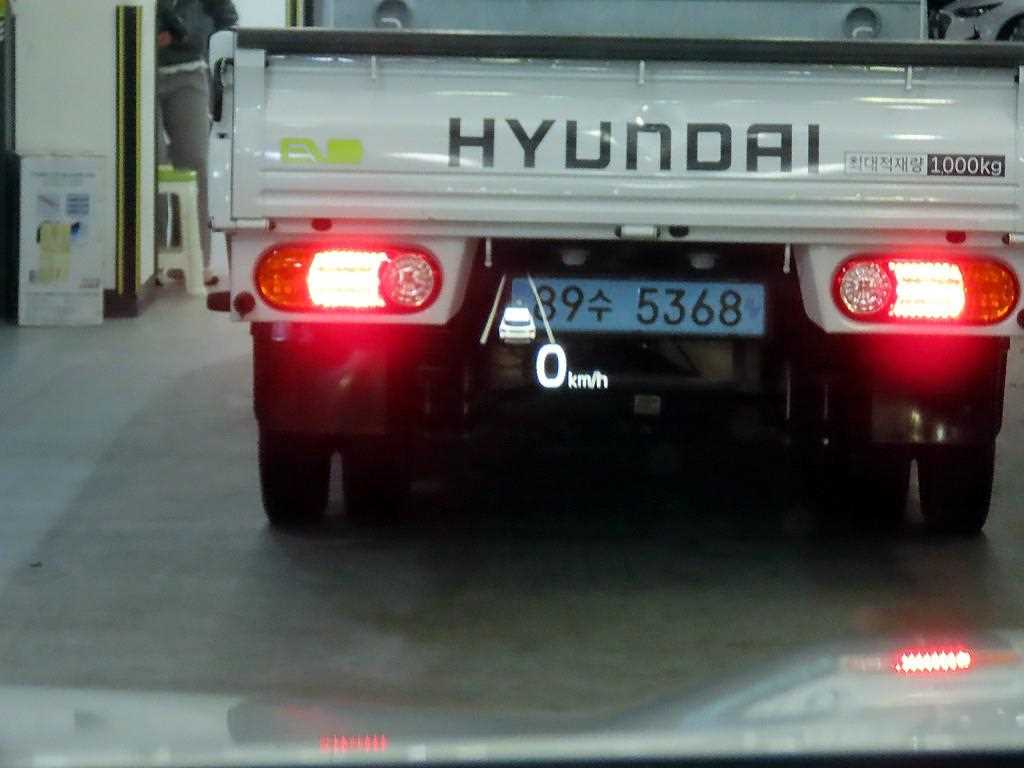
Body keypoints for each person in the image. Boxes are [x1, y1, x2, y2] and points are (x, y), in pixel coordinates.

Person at [157, 0, 238, 287]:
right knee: (151, 165)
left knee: (195, 163)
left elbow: (227, 17)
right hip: (139, 67)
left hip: (189, 71)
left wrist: (190, 36)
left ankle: (194, 260)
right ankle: (152, 259)